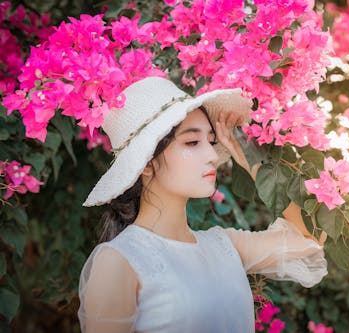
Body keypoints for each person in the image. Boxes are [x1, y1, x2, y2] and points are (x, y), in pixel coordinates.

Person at [78, 76, 328, 333]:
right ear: (147, 164)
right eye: (192, 142)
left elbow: (310, 237)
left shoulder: (225, 246)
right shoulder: (120, 260)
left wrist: (253, 163)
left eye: (211, 141)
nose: (211, 155)